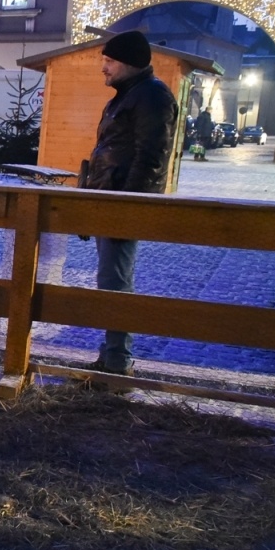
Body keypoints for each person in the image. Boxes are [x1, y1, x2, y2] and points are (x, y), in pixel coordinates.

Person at [82, 29, 178, 378]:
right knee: (110, 280)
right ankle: (112, 358)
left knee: (115, 281)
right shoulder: (130, 95)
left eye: (109, 61)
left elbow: (150, 156)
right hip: (111, 201)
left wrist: (127, 204)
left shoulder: (150, 97)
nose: (103, 68)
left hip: (120, 205)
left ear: (128, 63)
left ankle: (117, 364)